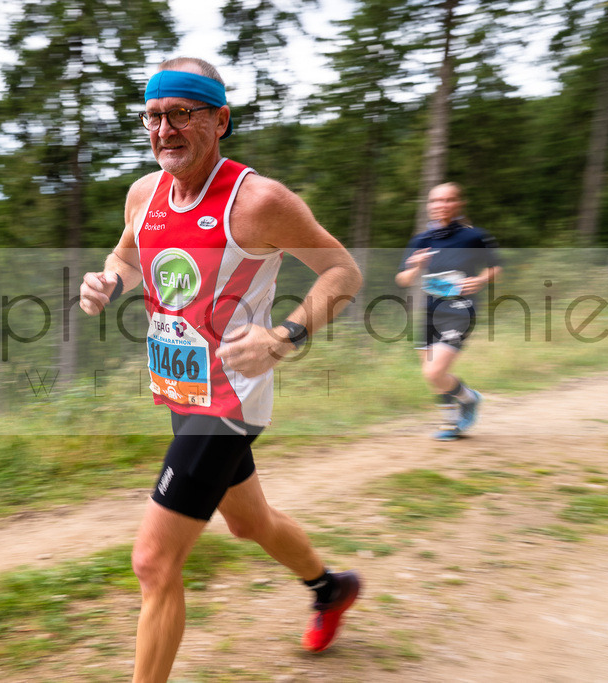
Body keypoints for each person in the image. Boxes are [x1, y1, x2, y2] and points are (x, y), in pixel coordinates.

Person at [79, 57, 363, 682]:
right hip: (182, 390)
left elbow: (344, 274)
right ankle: (329, 587)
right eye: (154, 115)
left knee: (154, 562)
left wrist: (283, 339)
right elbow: (126, 257)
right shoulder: (144, 193)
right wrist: (108, 283)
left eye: (183, 113)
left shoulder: (258, 201)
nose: (165, 129)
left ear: (220, 121)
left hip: (229, 399)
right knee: (248, 521)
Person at [395, 182, 502, 441]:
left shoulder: (474, 236)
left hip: (460, 310)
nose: (441, 205)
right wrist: (416, 266)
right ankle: (451, 425)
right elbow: (402, 279)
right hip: (431, 311)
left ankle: (470, 398)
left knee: (434, 372)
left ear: (458, 204)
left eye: (448, 200)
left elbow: (495, 266)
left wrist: (480, 280)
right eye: (436, 201)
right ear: (429, 206)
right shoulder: (421, 241)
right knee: (432, 376)